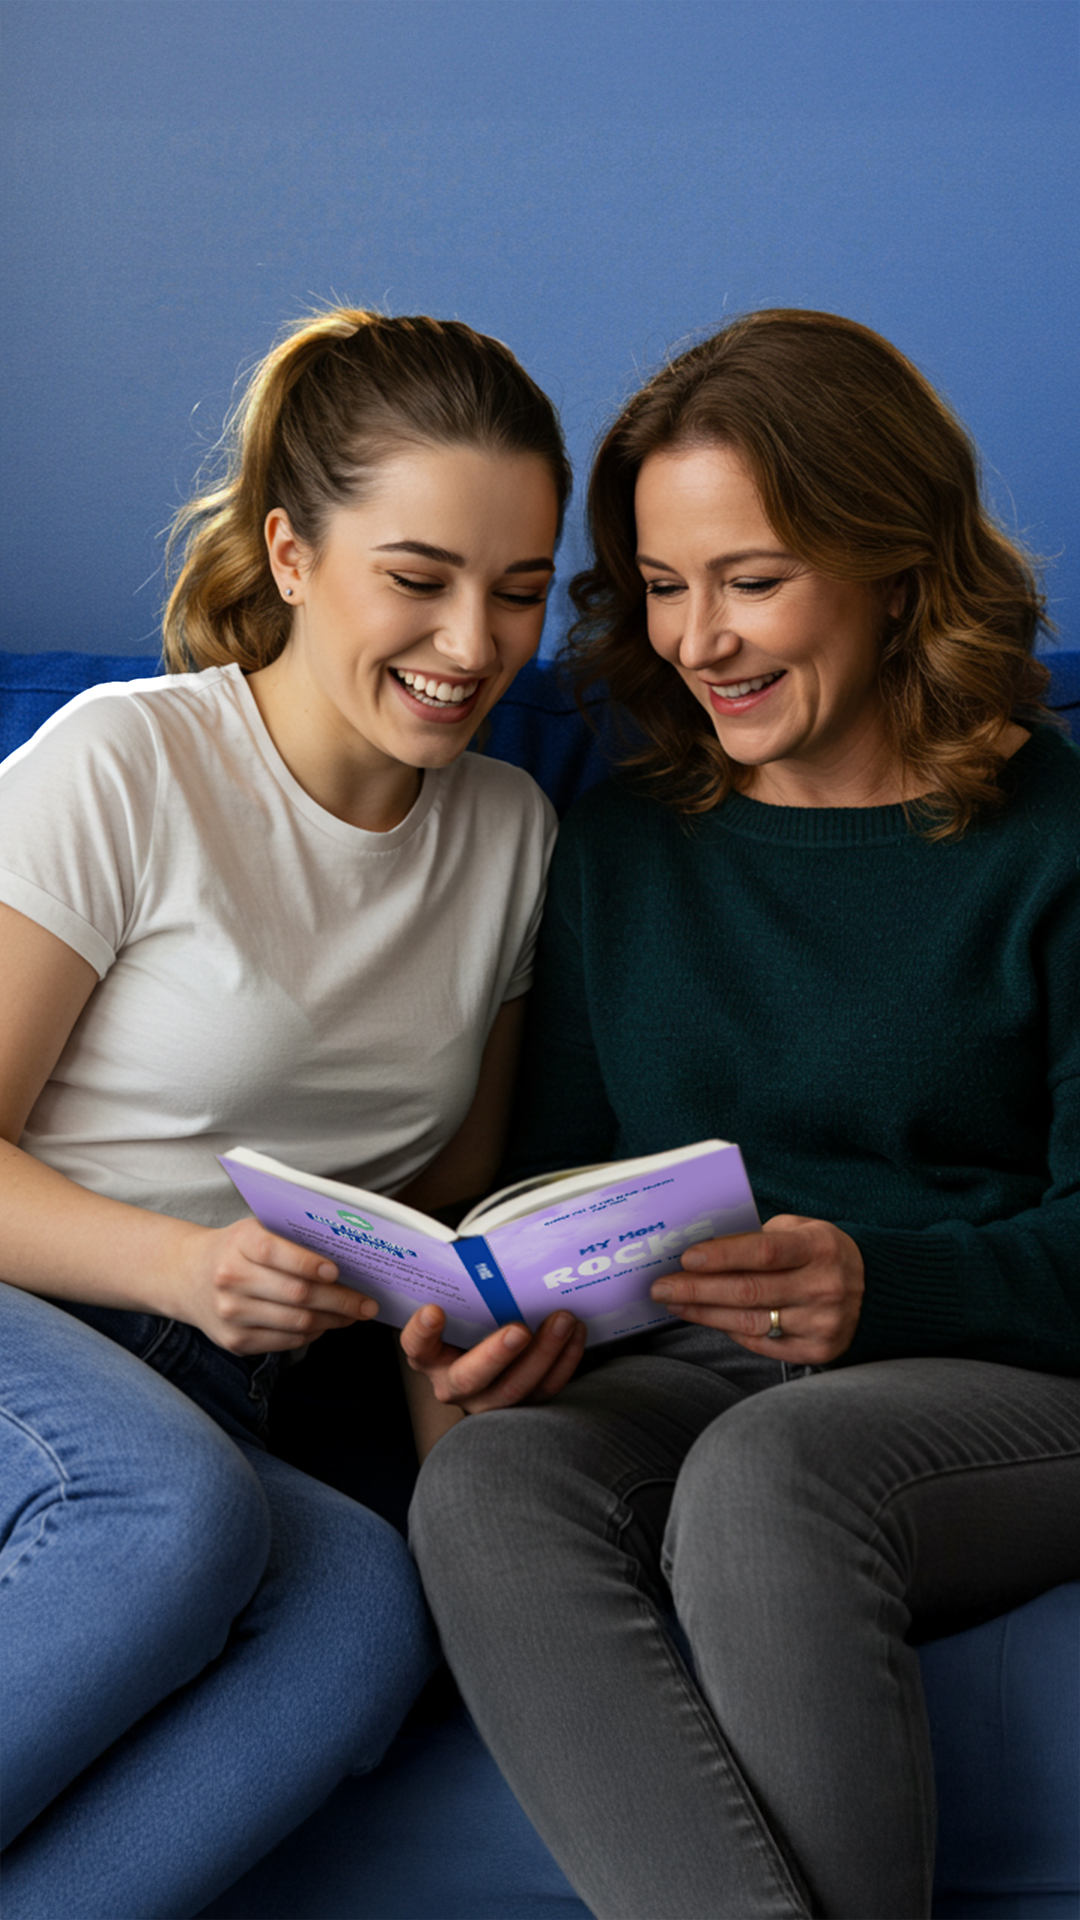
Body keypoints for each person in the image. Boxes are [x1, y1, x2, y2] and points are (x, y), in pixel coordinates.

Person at [406, 309, 1080, 1919]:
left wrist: (884, 1282)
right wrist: (518, 1322)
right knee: (488, 1489)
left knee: (777, 1476)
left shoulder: (1054, 841)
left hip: (1005, 1380)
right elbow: (563, 1173)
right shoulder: (629, 840)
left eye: (753, 578)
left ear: (896, 561)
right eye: (661, 585)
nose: (700, 638)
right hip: (704, 1370)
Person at [0, 305, 571, 1918]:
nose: (475, 643)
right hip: (40, 1318)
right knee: (164, 1508)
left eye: (520, 590)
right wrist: (184, 1270)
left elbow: (442, 1218)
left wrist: (472, 1358)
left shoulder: (514, 835)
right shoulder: (128, 764)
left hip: (225, 1389)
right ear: (295, 555)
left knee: (361, 1619)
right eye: (421, 576)